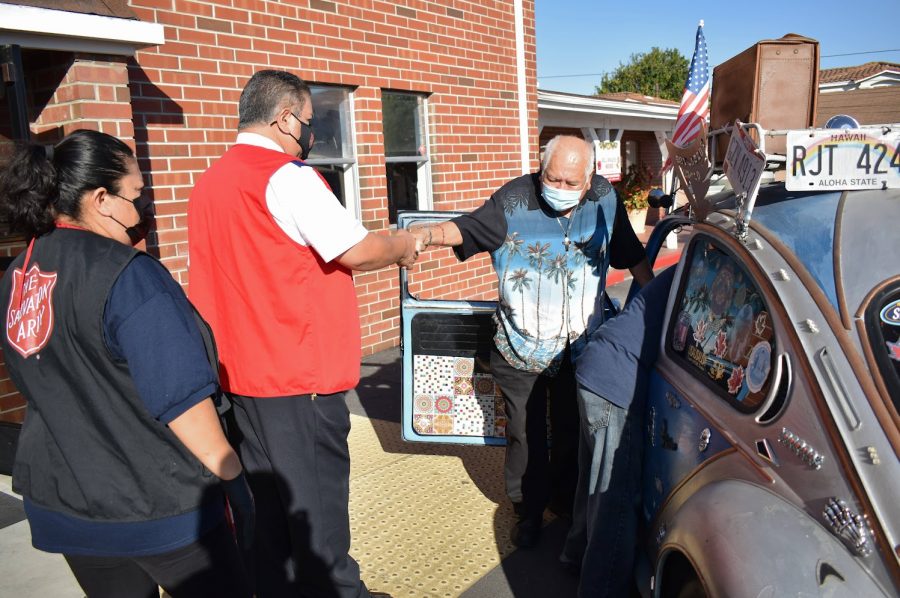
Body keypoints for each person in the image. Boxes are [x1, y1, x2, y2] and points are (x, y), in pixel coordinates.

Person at [187, 70, 417, 598]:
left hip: (240, 376)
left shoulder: (210, 181)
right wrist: (404, 244)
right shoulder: (286, 177)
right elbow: (354, 249)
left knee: (269, 511)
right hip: (298, 376)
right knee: (317, 511)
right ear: (285, 118)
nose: (311, 135)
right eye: (309, 122)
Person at [0, 129, 254, 598]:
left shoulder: (19, 274)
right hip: (155, 506)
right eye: (136, 195)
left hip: (70, 504)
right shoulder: (129, 277)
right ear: (102, 199)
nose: (142, 210)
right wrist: (234, 478)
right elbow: (183, 403)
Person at [412, 135, 653, 548]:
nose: (557, 188)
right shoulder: (513, 201)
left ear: (589, 176)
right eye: (551, 177)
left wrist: (653, 306)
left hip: (579, 347)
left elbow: (631, 256)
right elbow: (464, 228)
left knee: (568, 428)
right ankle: (526, 510)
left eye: (568, 182)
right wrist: (421, 237)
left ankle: (562, 500)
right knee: (524, 436)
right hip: (520, 346)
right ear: (540, 171)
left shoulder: (603, 199)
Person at [563, 267, 675, 597]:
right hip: (615, 384)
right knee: (616, 501)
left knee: (592, 485)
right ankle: (601, 588)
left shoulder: (687, 268)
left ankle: (574, 553)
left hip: (594, 365)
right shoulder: (705, 272)